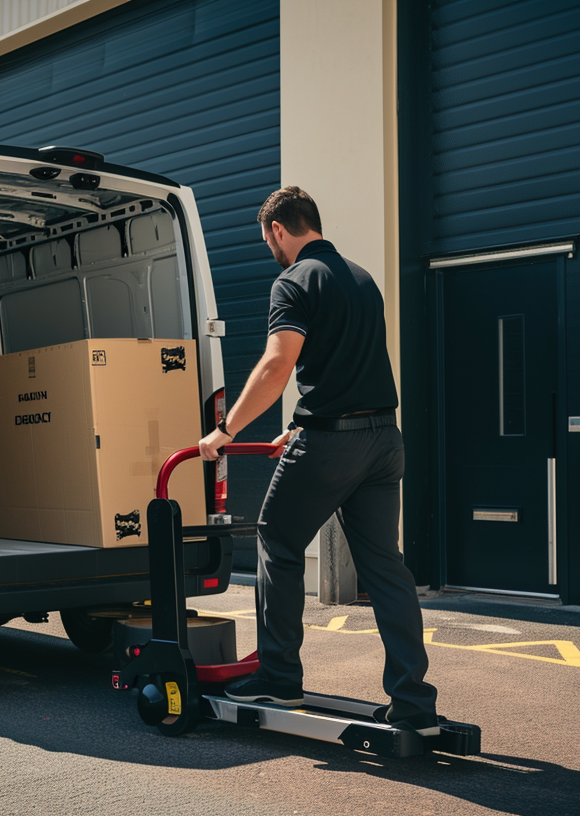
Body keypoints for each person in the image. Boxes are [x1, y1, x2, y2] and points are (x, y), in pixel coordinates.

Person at [196, 186, 440, 735]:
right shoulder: (361, 278)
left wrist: (224, 430)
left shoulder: (294, 280)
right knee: (385, 567)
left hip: (333, 445)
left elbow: (277, 366)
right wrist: (297, 425)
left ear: (278, 229)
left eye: (268, 241)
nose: (270, 251)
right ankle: (412, 699)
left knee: (277, 541)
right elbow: (346, 366)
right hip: (383, 440)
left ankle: (278, 675)